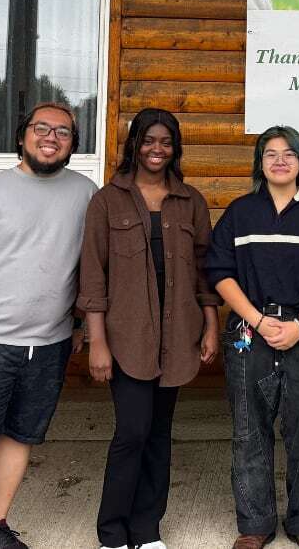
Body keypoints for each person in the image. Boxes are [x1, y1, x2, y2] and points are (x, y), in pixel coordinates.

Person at [0, 102, 98, 549]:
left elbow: (88, 267)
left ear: (73, 144)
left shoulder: (86, 193)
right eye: (41, 128)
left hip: (49, 343)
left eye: (63, 132)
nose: (51, 137)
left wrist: (81, 324)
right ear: (22, 136)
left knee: (20, 437)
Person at [77, 108, 220, 549]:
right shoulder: (108, 200)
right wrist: (97, 341)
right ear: (134, 144)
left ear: (175, 148)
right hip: (126, 338)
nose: (156, 150)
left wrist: (211, 325)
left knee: (159, 434)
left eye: (165, 142)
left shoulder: (190, 200)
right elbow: (93, 275)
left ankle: (147, 530)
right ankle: (112, 532)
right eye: (148, 140)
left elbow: (204, 270)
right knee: (132, 432)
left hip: (178, 337)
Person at [204, 126, 299, 549]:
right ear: (259, 163)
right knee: (250, 430)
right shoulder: (240, 212)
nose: (280, 160)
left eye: (289, 153)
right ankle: (255, 524)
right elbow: (219, 271)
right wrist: (256, 319)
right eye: (270, 154)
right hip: (250, 330)